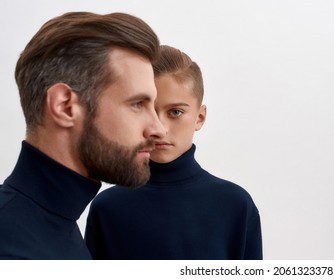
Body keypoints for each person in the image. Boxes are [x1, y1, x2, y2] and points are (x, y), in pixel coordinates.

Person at [0, 12, 165, 259]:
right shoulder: (13, 247)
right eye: (137, 104)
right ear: (65, 106)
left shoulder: (56, 229)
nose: (159, 129)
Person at [85, 45, 263, 260]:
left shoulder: (236, 206)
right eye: (144, 108)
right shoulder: (107, 209)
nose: (160, 127)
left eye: (176, 112)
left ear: (200, 117)